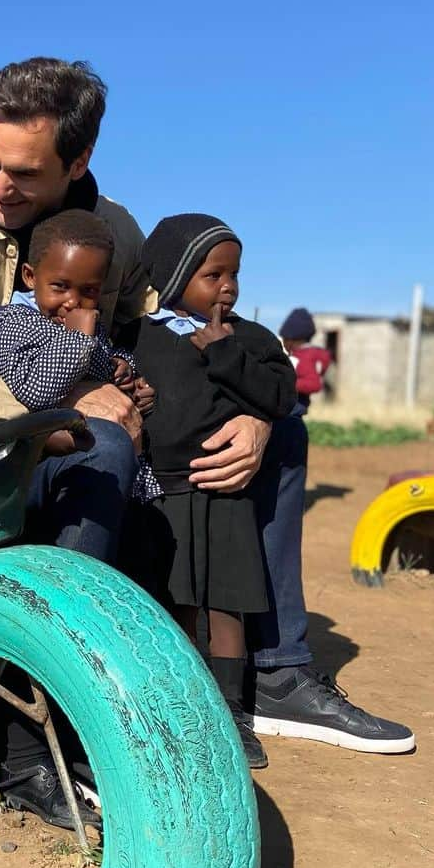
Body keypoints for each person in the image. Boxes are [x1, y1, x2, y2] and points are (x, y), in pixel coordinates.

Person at [0, 55, 414, 756]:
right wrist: (62, 402)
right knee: (102, 443)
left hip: (101, 427)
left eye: (24, 173)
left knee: (282, 433)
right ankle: (54, 709)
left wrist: (253, 411)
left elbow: (169, 331)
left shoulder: (113, 228)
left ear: (79, 158)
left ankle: (272, 671)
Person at [123, 215, 296, 766]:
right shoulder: (137, 336)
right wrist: (135, 395)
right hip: (163, 494)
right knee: (176, 603)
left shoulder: (250, 339)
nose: (228, 286)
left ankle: (231, 712)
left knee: (227, 606)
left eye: (234, 274)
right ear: (173, 276)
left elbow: (279, 395)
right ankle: (183, 704)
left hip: (224, 494)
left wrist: (224, 353)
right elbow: (119, 387)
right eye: (212, 273)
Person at [0, 209, 158, 499]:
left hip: (111, 475)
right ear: (30, 276)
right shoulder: (10, 323)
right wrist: (80, 338)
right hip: (39, 473)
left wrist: (127, 372)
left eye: (89, 290)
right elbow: (34, 391)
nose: (73, 301)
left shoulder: (87, 325)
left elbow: (104, 359)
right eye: (60, 286)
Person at [279, 307, 334, 415]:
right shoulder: (306, 355)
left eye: (284, 339)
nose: (283, 343)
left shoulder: (304, 358)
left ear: (290, 340)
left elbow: (314, 383)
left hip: (294, 407)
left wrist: (285, 384)